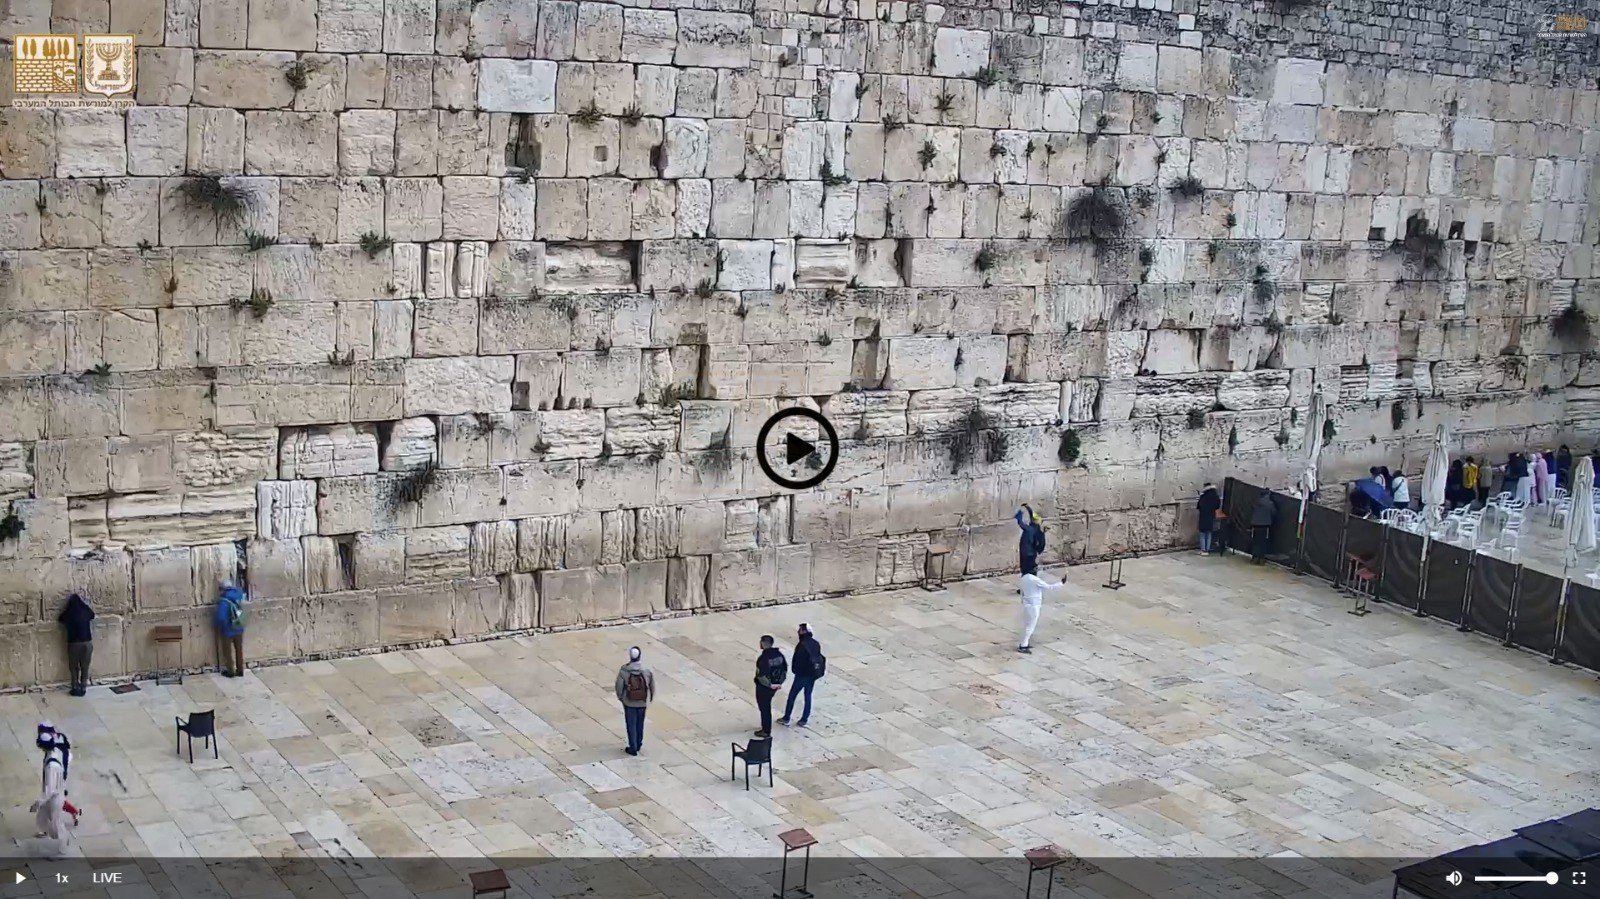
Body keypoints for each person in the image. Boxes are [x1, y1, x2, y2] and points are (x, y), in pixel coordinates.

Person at [779, 623, 824, 727]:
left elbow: (797, 661)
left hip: (802, 675)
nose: (798, 631)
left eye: (800, 630)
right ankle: (804, 719)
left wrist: (796, 671)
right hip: (812, 674)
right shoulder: (816, 643)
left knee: (792, 696)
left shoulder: (801, 645)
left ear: (804, 632)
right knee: (808, 696)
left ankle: (786, 717)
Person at [613, 646, 654, 756]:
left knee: (631, 724)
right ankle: (639, 743)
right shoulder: (646, 670)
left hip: (629, 702)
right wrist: (649, 699)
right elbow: (651, 686)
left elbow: (619, 686)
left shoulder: (624, 670)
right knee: (640, 724)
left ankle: (633, 747)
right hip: (642, 702)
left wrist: (621, 698)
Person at [1018, 569, 1066, 653]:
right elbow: (1050, 587)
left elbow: (1022, 592)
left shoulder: (1023, 578)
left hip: (1026, 604)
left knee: (1027, 624)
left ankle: (1024, 643)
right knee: (1030, 625)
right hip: (1034, 605)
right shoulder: (1035, 580)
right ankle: (1023, 645)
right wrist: (1061, 583)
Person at [58, 593, 94, 696]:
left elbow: (60, 619)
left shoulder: (69, 613)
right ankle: (83, 687)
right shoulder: (85, 611)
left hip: (74, 644)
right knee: (85, 666)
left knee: (74, 667)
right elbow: (92, 615)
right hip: (87, 643)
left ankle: (74, 687)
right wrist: (85, 605)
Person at [753, 636, 786, 738]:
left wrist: (769, 685)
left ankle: (766, 730)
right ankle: (766, 728)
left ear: (763, 643)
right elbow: (784, 671)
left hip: (764, 687)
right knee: (767, 706)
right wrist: (778, 683)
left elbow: (761, 675)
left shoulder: (763, 658)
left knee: (764, 708)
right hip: (775, 686)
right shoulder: (780, 656)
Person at [214, 583, 247, 678]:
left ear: (223, 589)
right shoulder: (238, 595)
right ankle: (240, 670)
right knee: (239, 650)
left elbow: (221, 617)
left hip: (228, 630)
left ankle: (231, 671)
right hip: (239, 627)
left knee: (227, 652)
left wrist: (217, 625)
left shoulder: (224, 601)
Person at [1014, 505, 1045, 576]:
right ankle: (1031, 579)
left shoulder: (1029, 529)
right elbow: (1032, 516)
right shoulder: (1037, 530)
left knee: (1026, 570)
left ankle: (1028, 581)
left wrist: (1019, 516)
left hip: (1026, 554)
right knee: (1031, 569)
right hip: (1032, 553)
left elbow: (1021, 523)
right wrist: (1028, 507)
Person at [1249, 492, 1276, 563]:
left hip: (1255, 525)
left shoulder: (1256, 501)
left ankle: (1254, 557)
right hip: (1265, 525)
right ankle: (1261, 559)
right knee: (1263, 542)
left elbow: (1252, 509)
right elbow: (1274, 512)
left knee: (1255, 542)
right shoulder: (1270, 503)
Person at [1196, 483, 1222, 554]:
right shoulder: (1216, 496)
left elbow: (1198, 506)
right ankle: (1207, 549)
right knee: (1209, 533)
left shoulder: (1203, 496)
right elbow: (1217, 506)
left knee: (1202, 533)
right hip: (1211, 516)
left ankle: (1203, 549)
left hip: (1203, 516)